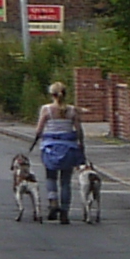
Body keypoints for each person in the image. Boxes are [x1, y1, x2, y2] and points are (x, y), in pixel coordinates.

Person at [33, 89, 89, 220]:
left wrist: (38, 138)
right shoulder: (72, 110)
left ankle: (53, 202)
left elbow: (39, 130)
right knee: (65, 181)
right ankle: (64, 211)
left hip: (50, 147)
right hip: (68, 147)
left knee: (51, 177)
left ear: (52, 94)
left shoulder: (46, 109)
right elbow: (79, 130)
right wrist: (81, 144)